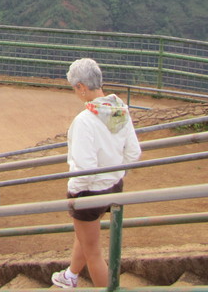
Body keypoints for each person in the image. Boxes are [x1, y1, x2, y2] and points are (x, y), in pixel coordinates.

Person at [51, 58, 142, 289]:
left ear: (81, 86)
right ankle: (71, 275)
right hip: (113, 187)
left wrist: (73, 194)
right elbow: (133, 153)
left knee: (93, 252)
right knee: (85, 235)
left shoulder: (85, 121)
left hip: (89, 194)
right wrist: (115, 174)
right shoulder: (118, 109)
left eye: (74, 88)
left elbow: (85, 168)